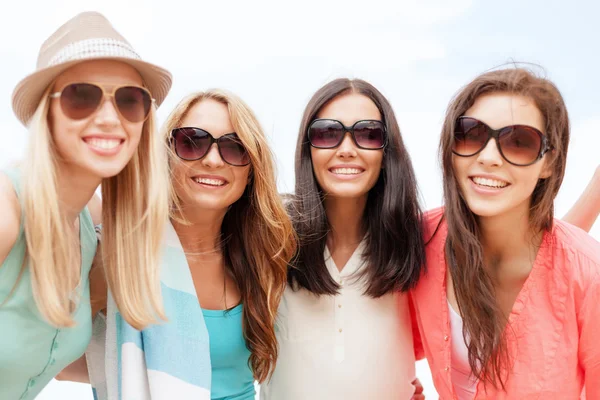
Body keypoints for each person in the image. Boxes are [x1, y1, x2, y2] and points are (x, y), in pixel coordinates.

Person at [0, 11, 171, 399]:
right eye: (82, 96)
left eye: (130, 100)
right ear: (46, 113)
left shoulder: (92, 227)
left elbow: (59, 360)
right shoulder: (6, 211)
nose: (110, 118)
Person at [86, 90, 296, 400]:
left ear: (251, 171)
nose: (212, 160)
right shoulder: (121, 251)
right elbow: (61, 358)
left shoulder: (266, 254)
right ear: (167, 155)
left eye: (234, 148)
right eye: (191, 142)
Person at [411, 67, 600, 398]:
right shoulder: (419, 241)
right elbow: (377, 340)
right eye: (470, 134)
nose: (488, 157)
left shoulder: (588, 273)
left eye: (519, 143)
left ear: (549, 163)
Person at [262, 78, 426, 400]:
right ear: (307, 148)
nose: (347, 150)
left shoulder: (417, 241)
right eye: (327, 133)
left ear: (387, 150)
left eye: (368, 134)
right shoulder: (271, 234)